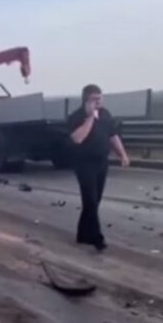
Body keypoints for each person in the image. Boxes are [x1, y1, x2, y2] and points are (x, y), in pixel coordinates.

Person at [67, 84, 130, 251]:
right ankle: (97, 239)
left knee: (94, 202)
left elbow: (113, 135)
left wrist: (122, 154)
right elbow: (77, 138)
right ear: (85, 100)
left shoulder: (105, 114)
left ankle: (82, 234)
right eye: (94, 99)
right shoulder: (76, 117)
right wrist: (89, 118)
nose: (98, 101)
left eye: (100, 98)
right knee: (91, 200)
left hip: (102, 162)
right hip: (83, 163)